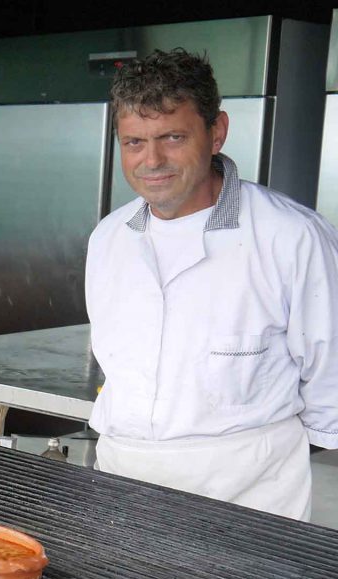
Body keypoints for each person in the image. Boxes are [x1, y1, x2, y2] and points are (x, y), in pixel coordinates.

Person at [86, 48, 338, 521]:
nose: (152, 160)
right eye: (134, 142)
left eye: (173, 137)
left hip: (247, 491)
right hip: (123, 476)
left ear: (217, 132)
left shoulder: (292, 236)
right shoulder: (109, 238)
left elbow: (332, 384)